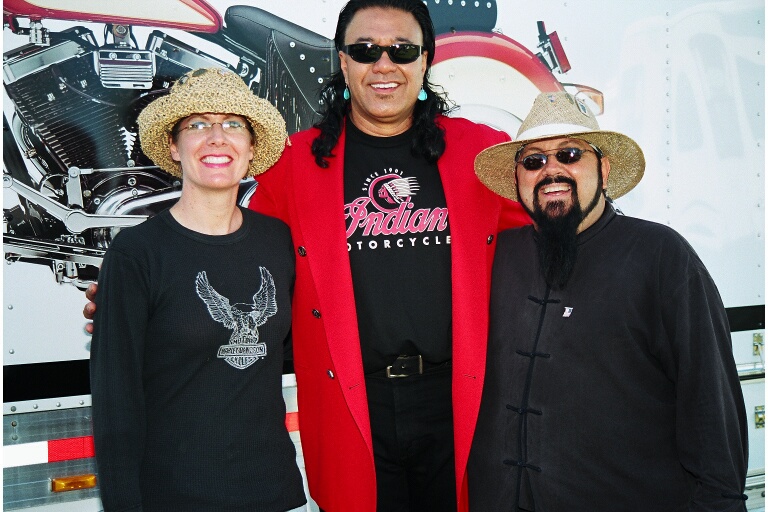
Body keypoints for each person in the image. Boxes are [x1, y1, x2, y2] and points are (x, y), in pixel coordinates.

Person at [86, 1, 530, 510]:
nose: (383, 65)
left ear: (425, 59)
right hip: (349, 407)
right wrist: (133, 304)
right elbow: (241, 257)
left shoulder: (480, 153)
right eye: (365, 50)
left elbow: (538, 253)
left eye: (402, 50)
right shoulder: (295, 165)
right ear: (343, 61)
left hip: (459, 400)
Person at [468, 91, 749, 511]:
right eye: (534, 160)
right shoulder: (497, 256)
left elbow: (710, 407)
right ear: (518, 179)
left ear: (603, 168)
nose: (551, 170)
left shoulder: (661, 256)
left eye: (569, 154)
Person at [89, 67, 307, 512]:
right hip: (176, 496)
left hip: (273, 492)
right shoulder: (137, 253)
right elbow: (115, 403)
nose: (217, 138)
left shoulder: (278, 241)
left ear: (251, 148)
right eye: (198, 125)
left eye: (233, 124)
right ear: (174, 146)